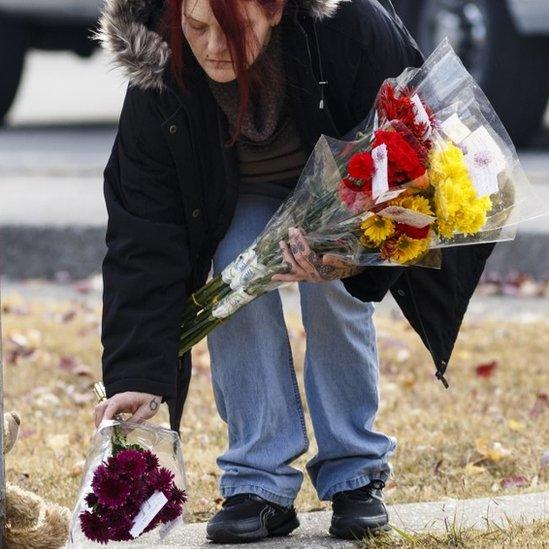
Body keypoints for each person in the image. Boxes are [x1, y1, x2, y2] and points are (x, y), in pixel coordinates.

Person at [92, 0, 495, 543]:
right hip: (238, 197)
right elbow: (144, 236)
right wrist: (136, 374)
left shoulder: (351, 28)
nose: (213, 48)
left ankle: (355, 473)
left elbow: (419, 137)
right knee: (235, 280)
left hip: (345, 186)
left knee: (334, 289)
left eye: (234, 31)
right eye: (196, 27)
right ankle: (257, 483)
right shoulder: (158, 74)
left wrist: (357, 252)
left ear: (275, 10)